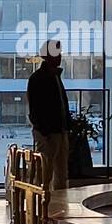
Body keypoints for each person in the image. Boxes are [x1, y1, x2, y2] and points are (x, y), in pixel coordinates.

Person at [27, 39, 71, 191]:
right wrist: (44, 131)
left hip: (58, 130)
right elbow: (36, 108)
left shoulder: (52, 77)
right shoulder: (40, 78)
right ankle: (46, 203)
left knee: (59, 171)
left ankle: (55, 203)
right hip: (50, 132)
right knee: (47, 172)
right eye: (57, 53)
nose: (60, 57)